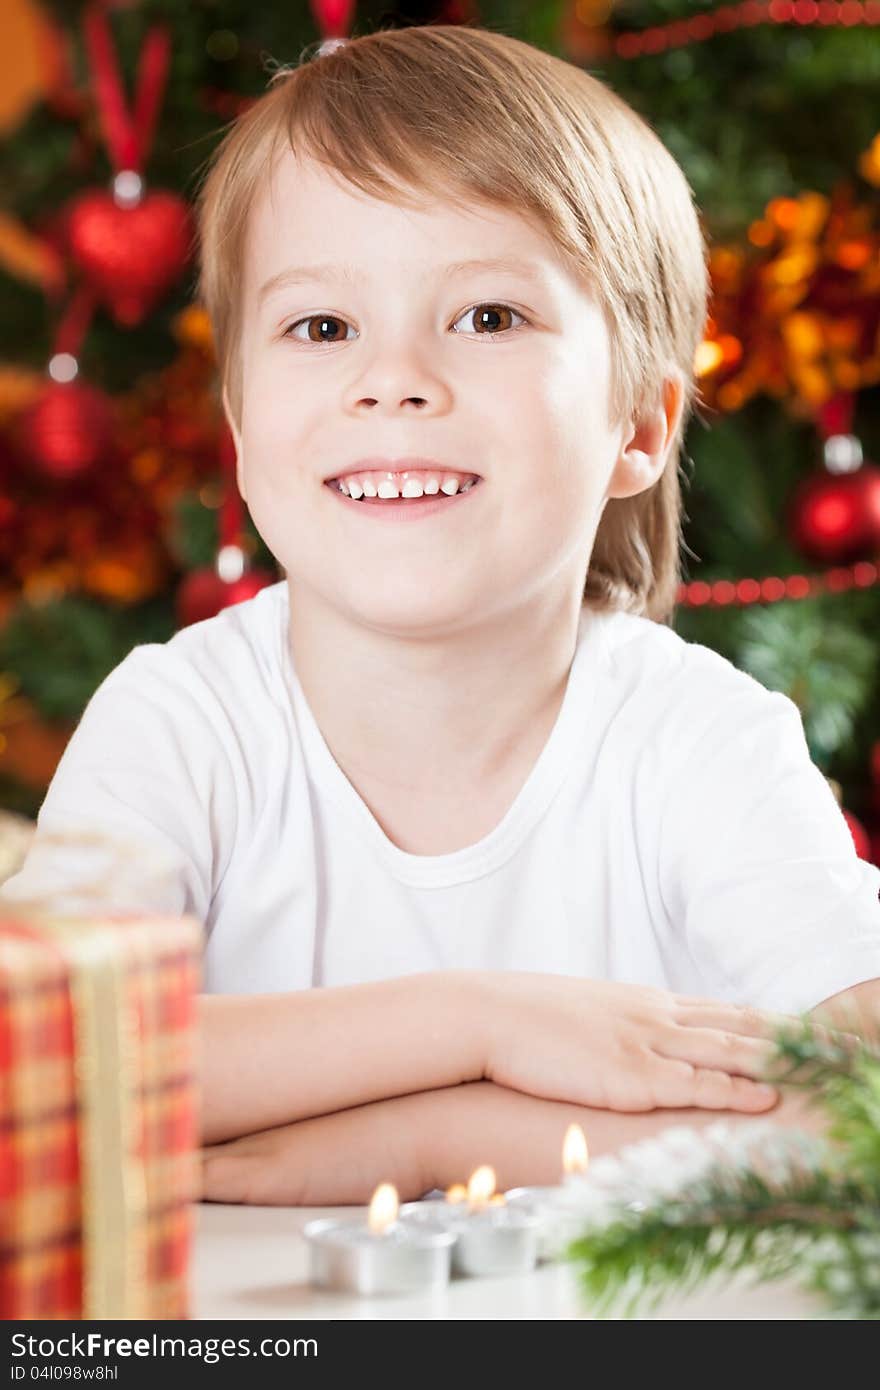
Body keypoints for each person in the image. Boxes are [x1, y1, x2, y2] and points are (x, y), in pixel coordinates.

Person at [3, 25, 878, 1205]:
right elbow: (36, 1073)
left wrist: (429, 1141)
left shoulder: (697, 741)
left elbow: (864, 1102)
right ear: (244, 429)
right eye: (322, 328)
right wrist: (478, 1024)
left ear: (638, 426)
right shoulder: (180, 721)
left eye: (487, 317)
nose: (394, 378)